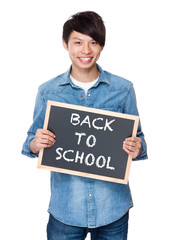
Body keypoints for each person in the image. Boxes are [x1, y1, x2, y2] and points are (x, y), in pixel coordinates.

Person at [22, 11, 148, 240]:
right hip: (66, 210)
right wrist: (35, 143)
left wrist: (137, 147)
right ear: (65, 44)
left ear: (101, 46)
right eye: (78, 42)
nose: (86, 50)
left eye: (93, 43)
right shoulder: (48, 92)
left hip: (113, 208)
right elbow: (30, 142)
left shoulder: (123, 89)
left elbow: (139, 140)